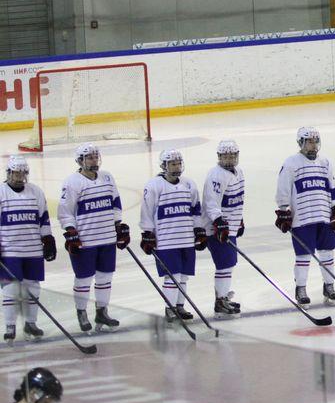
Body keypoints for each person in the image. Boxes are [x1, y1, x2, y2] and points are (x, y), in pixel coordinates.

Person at [58, 144, 128, 333]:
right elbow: (65, 211)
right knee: (84, 278)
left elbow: (115, 202)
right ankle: (81, 312)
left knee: (105, 277)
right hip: (86, 240)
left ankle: (101, 311)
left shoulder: (107, 177)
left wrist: (118, 224)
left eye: (95, 157)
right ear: (80, 160)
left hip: (106, 237)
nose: (94, 160)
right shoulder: (72, 182)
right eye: (89, 157)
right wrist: (70, 231)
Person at [275, 127, 335, 305]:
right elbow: (283, 189)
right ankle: (301, 289)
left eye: (315, 141)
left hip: (323, 215)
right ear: (301, 143)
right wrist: (283, 210)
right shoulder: (291, 163)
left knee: (327, 252)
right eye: (309, 141)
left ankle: (329, 286)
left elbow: (333, 187)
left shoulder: (325, 162)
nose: (313, 145)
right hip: (302, 218)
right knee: (303, 255)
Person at [140, 150, 203, 322]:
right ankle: (170, 308)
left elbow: (196, 209)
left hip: (186, 238)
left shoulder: (189, 184)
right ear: (163, 166)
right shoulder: (154, 185)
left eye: (178, 163)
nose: (176, 167)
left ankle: (180, 306)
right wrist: (147, 233)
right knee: (172, 275)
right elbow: (147, 211)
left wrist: (199, 229)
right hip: (166, 240)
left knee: (183, 275)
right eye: (172, 164)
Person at [1, 156, 56, 344]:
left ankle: (31, 324)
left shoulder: (35, 192)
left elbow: (43, 218)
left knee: (33, 287)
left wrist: (48, 238)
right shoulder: (1, 192)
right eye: (16, 173)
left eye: (23, 173)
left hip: (33, 249)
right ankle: (10, 326)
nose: (19, 177)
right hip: (10, 250)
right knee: (11, 288)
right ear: (9, 173)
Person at [202, 140, 244, 317]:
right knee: (224, 263)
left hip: (229, 226)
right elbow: (211, 203)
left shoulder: (239, 172)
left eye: (232, 155)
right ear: (219, 157)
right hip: (216, 229)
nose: (229, 159)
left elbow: (237, 200)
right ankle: (220, 301)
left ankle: (223, 296)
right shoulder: (215, 175)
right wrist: (218, 222)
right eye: (226, 156)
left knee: (229, 263)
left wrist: (239, 220)